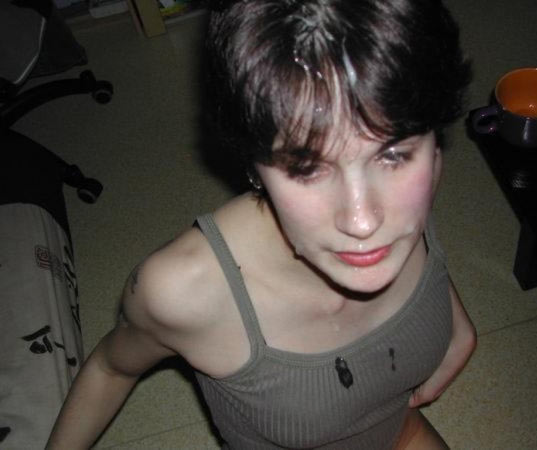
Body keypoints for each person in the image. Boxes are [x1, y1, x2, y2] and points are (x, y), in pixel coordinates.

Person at [47, 0, 476, 448]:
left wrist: (459, 327)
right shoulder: (182, 291)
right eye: (307, 168)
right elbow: (109, 368)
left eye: (393, 155)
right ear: (253, 163)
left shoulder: (414, 189)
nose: (364, 221)